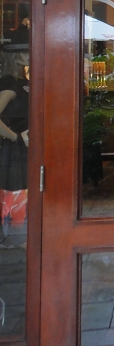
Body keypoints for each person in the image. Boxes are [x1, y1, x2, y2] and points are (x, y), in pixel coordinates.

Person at [0, 28, 30, 235]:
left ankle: (17, 231)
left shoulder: (21, 82)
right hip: (13, 148)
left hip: (20, 146)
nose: (29, 54)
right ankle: (13, 232)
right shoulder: (10, 84)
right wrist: (16, 137)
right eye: (25, 51)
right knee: (14, 189)